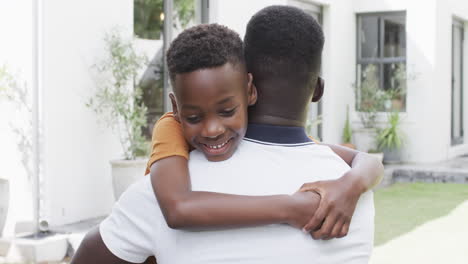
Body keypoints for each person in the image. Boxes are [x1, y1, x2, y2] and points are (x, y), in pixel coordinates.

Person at [72, 6, 379, 264]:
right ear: (317, 91)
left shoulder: (157, 192)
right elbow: (361, 161)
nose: (211, 129)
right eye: (194, 117)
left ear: (248, 86)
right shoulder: (349, 196)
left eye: (224, 110)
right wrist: (348, 184)